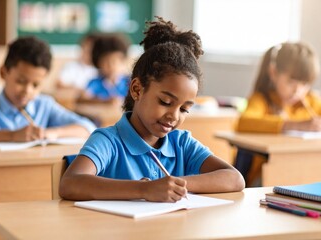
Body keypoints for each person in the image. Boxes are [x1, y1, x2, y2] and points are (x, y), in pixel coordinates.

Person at [59, 17, 245, 202]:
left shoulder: (181, 143)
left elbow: (235, 179)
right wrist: (144, 189)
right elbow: (70, 183)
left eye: (184, 109)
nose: (174, 116)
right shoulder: (109, 141)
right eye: (165, 102)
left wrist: (175, 185)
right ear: (137, 89)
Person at [235, 42, 321, 186]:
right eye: (291, 83)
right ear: (273, 73)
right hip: (263, 178)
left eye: (304, 85)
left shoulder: (310, 102)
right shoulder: (262, 100)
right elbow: (245, 121)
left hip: (304, 173)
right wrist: (295, 125)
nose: (298, 91)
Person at [0, 36, 96, 145]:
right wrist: (12, 136)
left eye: (36, 85)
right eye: (21, 81)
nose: (27, 90)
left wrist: (52, 133)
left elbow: (88, 128)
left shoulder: (45, 106)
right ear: (3, 73)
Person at [78, 33, 130, 105]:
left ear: (123, 61)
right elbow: (82, 99)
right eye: (106, 62)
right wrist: (104, 101)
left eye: (115, 61)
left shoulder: (129, 82)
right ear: (98, 63)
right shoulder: (95, 83)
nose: (111, 66)